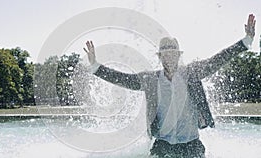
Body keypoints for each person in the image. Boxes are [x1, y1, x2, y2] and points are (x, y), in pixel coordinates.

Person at [83, 14, 256, 157]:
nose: (169, 57)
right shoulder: (151, 79)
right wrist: (96, 67)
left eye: (173, 54)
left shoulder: (192, 72)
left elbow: (217, 60)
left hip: (191, 144)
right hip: (163, 144)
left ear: (178, 55)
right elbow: (123, 79)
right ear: (160, 57)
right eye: (165, 54)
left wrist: (245, 41)